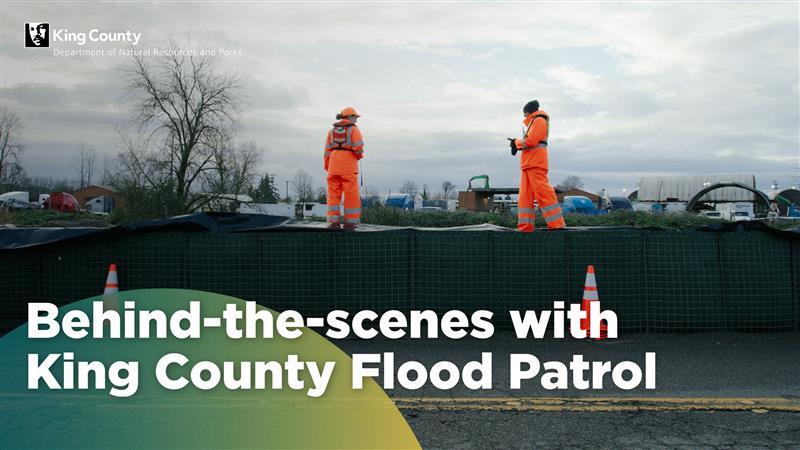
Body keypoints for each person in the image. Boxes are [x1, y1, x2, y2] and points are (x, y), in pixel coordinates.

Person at [509, 100, 565, 232]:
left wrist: (516, 143)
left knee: (543, 193)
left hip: (535, 163)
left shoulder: (539, 120)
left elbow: (531, 141)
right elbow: (532, 142)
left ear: (529, 112)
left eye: (524, 114)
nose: (524, 117)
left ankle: (557, 224)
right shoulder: (536, 121)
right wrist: (517, 145)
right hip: (529, 164)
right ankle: (525, 227)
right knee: (525, 197)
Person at [324, 107, 364, 230]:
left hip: (333, 167)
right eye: (355, 118)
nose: (356, 120)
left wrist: (328, 167)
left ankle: (333, 222)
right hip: (348, 167)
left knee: (333, 195)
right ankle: (350, 223)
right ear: (350, 117)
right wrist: (358, 157)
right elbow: (359, 149)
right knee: (351, 194)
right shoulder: (354, 130)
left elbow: (326, 151)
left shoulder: (331, 131)